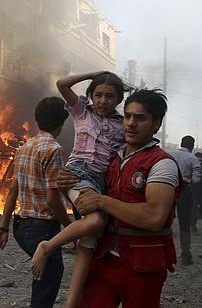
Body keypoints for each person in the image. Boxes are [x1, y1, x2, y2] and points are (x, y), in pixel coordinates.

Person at [57, 89, 181, 308]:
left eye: (140, 118)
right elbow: (89, 182)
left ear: (156, 124)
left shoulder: (162, 163)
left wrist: (102, 201)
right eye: (127, 116)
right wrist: (67, 179)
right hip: (103, 259)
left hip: (142, 266)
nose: (131, 123)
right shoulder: (112, 158)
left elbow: (154, 216)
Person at [29, 71, 129, 308]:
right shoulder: (82, 110)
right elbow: (61, 84)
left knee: (88, 241)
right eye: (98, 95)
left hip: (100, 182)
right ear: (91, 95)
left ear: (118, 99)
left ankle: (71, 303)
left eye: (110, 96)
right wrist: (96, 74)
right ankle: (48, 246)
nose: (103, 100)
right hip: (78, 172)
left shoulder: (122, 124)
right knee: (94, 222)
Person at [0, 96, 72, 308]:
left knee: (43, 277)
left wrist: (3, 227)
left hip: (21, 229)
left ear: (37, 120)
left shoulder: (24, 147)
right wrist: (71, 228)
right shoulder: (54, 150)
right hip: (42, 229)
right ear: (61, 123)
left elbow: (12, 190)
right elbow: (53, 199)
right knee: (49, 280)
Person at [169, 136, 201, 265]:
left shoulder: (170, 155)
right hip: (184, 191)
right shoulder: (193, 158)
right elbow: (196, 179)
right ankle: (185, 255)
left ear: (181, 143)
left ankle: (163, 253)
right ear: (192, 146)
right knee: (184, 225)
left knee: (163, 221)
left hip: (168, 189)